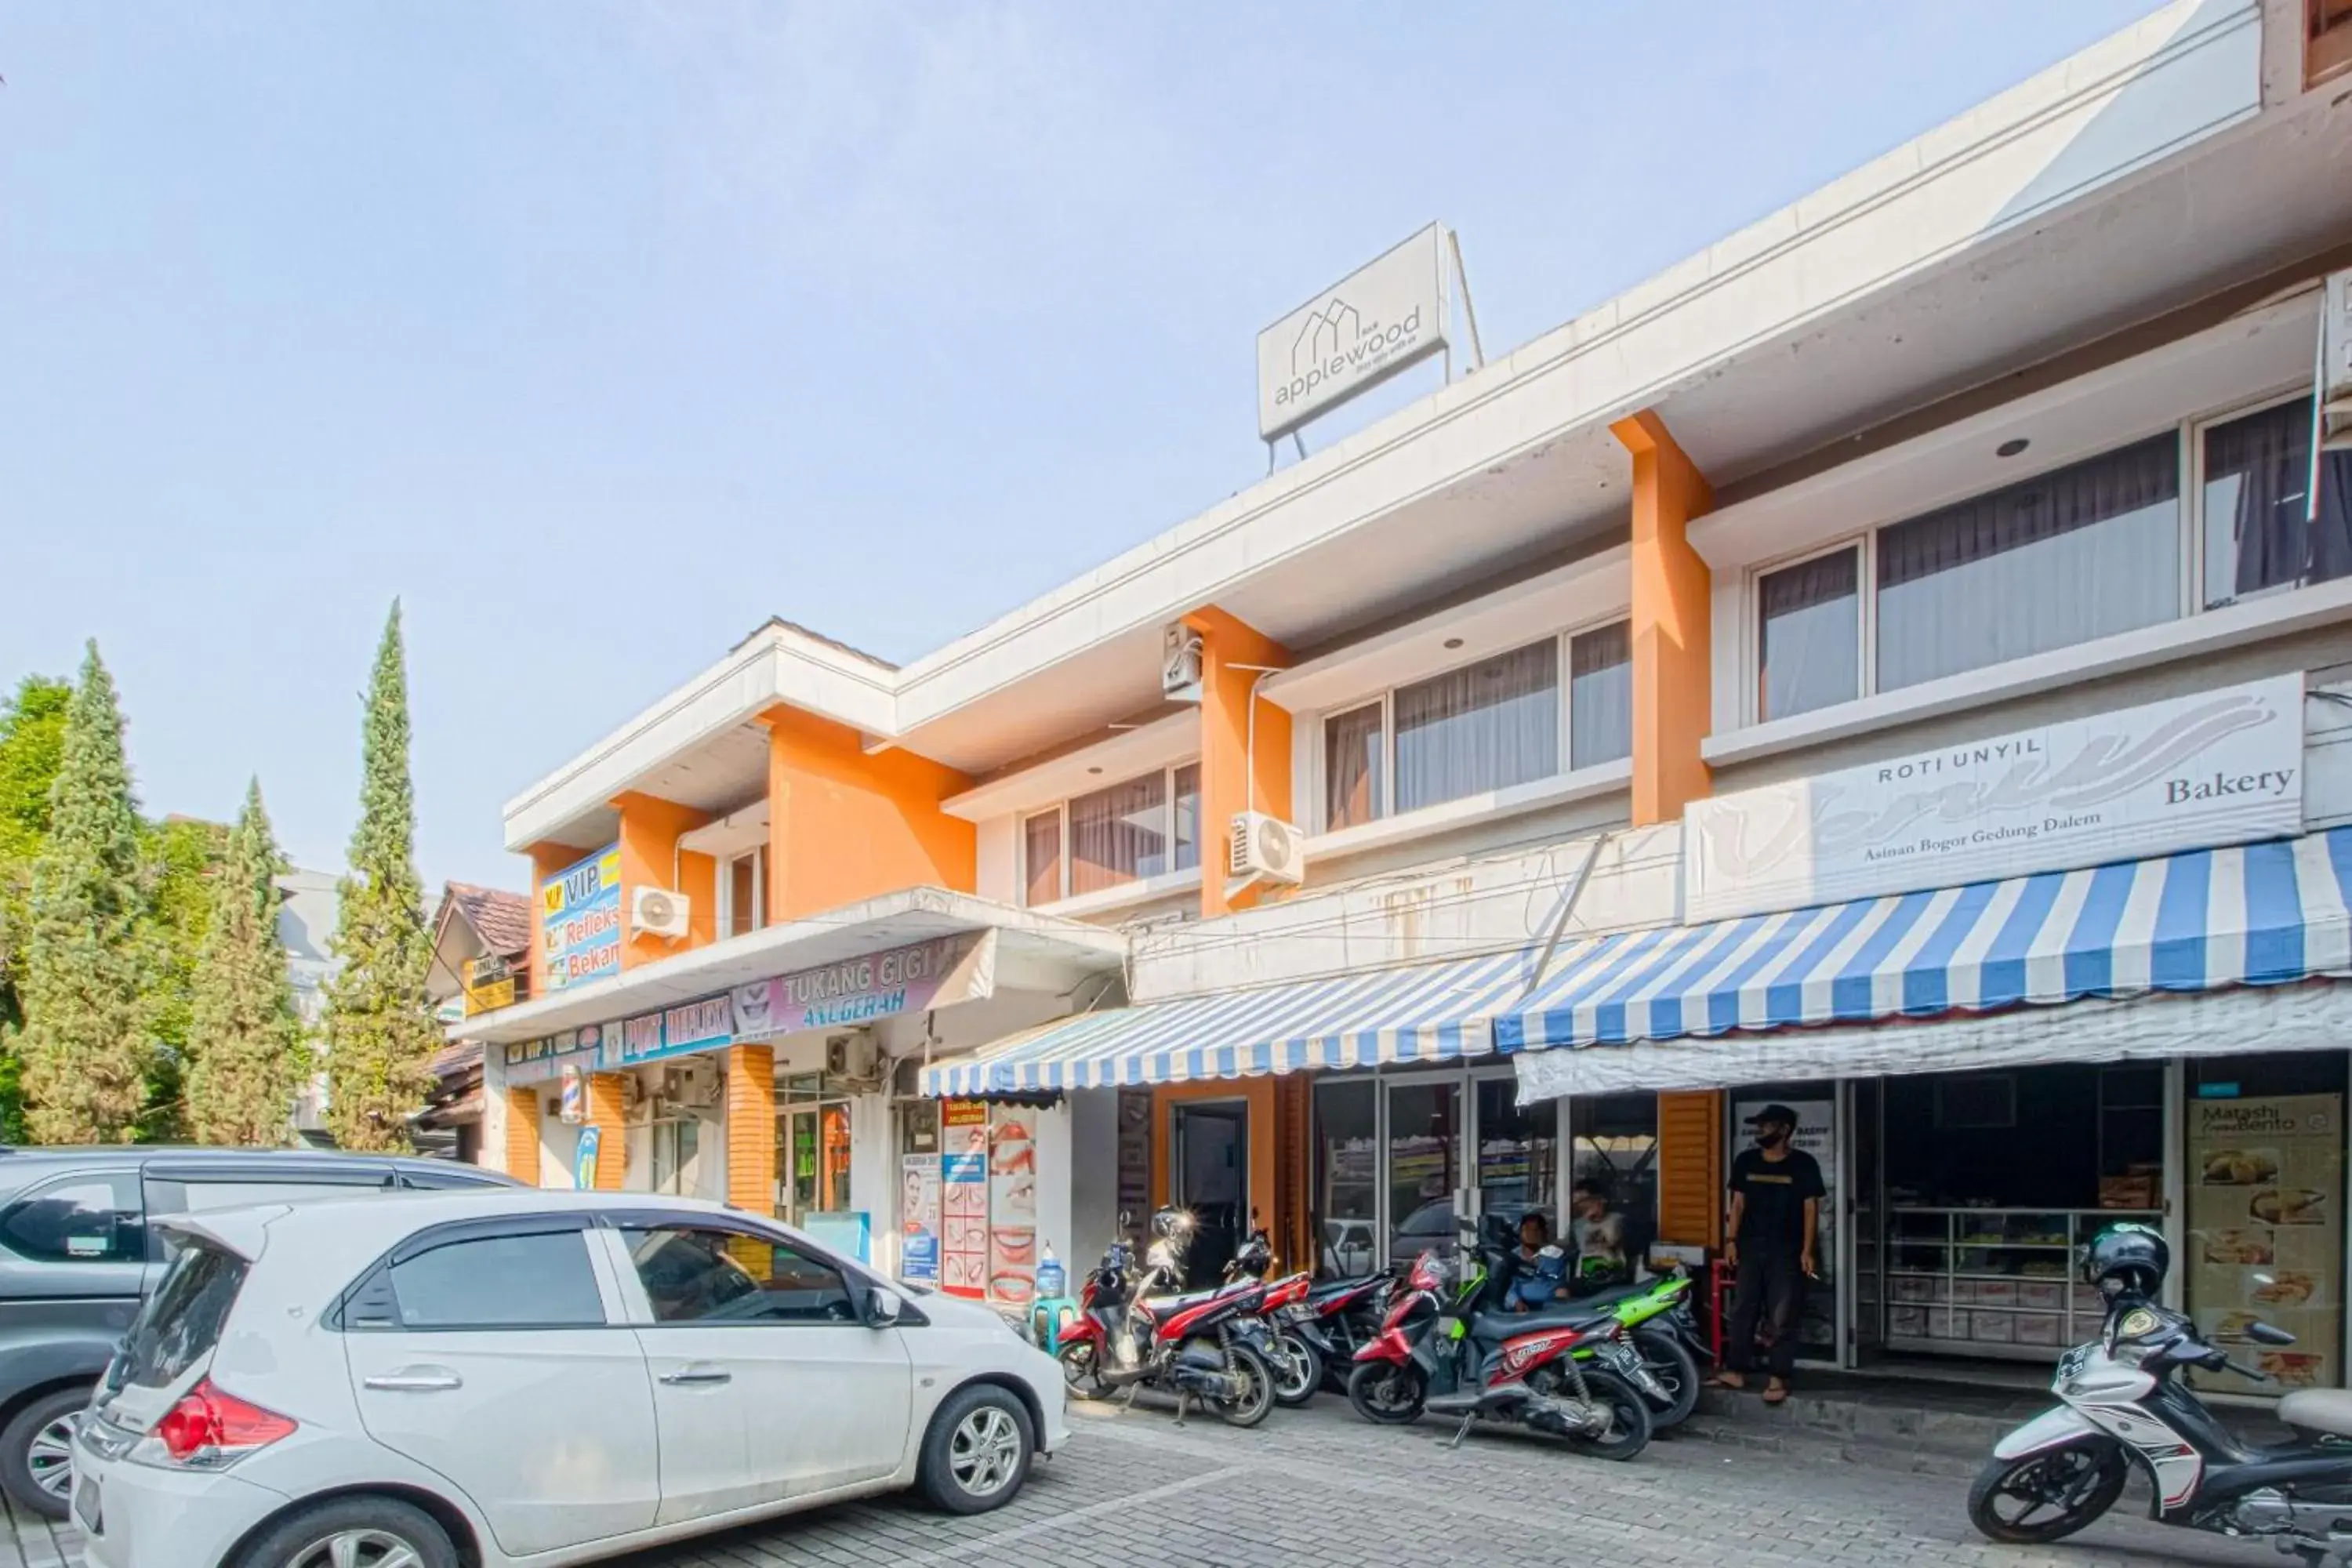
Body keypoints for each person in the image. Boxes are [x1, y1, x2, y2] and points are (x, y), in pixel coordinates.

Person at [1711, 1104, 1824, 1406]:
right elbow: (1737, 1204)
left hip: (1787, 1251)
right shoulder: (1746, 1160)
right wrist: (1731, 1241)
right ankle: (1736, 1370)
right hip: (1750, 1248)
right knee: (1743, 1310)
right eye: (1759, 1126)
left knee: (1782, 1315)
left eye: (1766, 1126)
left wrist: (1807, 1250)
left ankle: (1778, 1376)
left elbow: (1811, 1209)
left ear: (1784, 1130)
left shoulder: (1803, 1164)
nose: (1760, 1131)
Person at [1566, 1180, 1630, 1293]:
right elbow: (1571, 1249)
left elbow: (1618, 1242)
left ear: (1601, 1200)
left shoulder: (1617, 1220)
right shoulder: (1578, 1226)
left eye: (1587, 1201)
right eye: (1579, 1203)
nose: (1583, 1205)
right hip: (1585, 1279)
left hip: (1614, 1278)